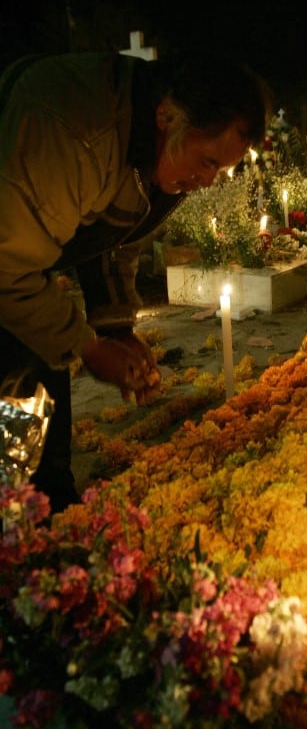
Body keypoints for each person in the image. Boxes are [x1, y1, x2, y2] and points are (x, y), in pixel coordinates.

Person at [0, 50, 268, 512]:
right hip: (9, 260)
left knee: (44, 429)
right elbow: (8, 270)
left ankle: (51, 513)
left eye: (219, 171)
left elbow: (116, 235)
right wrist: (89, 347)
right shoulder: (74, 135)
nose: (207, 182)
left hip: (23, 262)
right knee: (13, 435)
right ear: (167, 116)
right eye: (207, 162)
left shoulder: (159, 149)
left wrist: (117, 329)